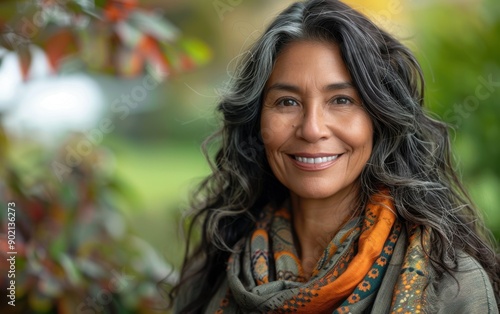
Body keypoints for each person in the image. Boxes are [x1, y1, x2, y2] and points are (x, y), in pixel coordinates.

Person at [171, 0, 500, 312]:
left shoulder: (453, 289)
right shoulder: (212, 277)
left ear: (378, 118)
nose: (312, 129)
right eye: (287, 102)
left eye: (341, 100)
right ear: (257, 121)